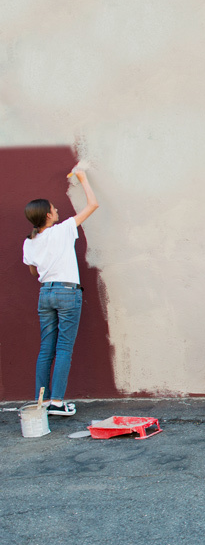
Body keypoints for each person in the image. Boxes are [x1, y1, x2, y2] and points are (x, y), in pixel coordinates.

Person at [22, 165, 100, 416]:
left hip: (45, 293)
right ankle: (57, 402)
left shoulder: (29, 242)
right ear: (47, 215)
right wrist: (83, 178)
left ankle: (43, 401)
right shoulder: (63, 229)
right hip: (67, 292)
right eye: (54, 209)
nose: (57, 211)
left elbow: (33, 271)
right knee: (64, 347)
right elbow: (93, 205)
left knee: (47, 348)